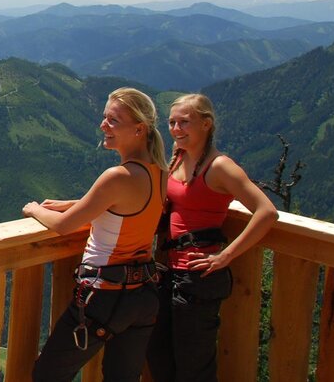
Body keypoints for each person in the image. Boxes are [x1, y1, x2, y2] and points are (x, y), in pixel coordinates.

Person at [22, 87, 167, 382]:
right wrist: (78, 203)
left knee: (47, 374)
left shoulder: (117, 177)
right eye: (105, 118)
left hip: (105, 296)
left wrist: (35, 209)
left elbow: (64, 226)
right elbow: (127, 208)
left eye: (113, 120)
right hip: (144, 294)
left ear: (139, 129)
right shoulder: (158, 172)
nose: (103, 125)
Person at [145, 94, 277, 382]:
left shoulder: (219, 167)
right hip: (168, 270)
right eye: (172, 122)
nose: (176, 129)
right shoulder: (178, 157)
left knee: (194, 366)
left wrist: (226, 255)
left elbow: (267, 212)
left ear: (206, 124)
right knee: (158, 354)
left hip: (198, 278)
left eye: (185, 122)